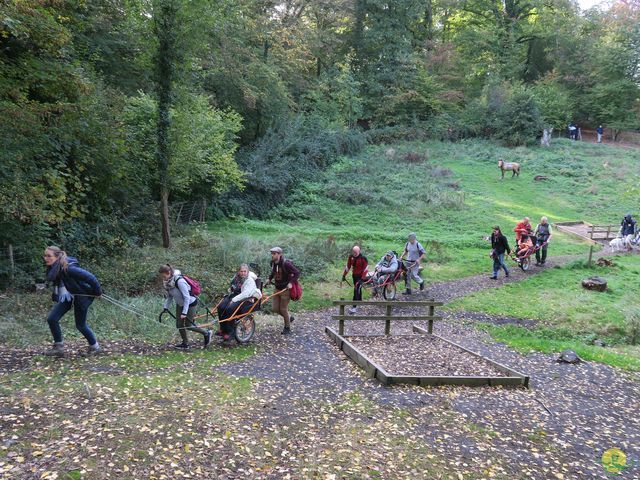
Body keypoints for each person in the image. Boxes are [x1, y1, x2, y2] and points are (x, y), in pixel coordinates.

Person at [43, 246, 102, 357]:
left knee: (80, 325)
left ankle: (95, 347)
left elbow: (91, 277)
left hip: (82, 296)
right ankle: (58, 348)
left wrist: (98, 292)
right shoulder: (56, 268)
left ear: (57, 256)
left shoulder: (69, 268)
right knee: (52, 319)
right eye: (45, 255)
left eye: (49, 256)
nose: (46, 258)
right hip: (68, 295)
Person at [159, 265, 212, 349]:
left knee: (189, 325)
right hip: (180, 304)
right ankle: (185, 343)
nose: (163, 278)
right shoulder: (168, 282)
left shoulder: (179, 281)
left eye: (164, 276)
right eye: (162, 276)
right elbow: (170, 296)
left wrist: (184, 312)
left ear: (169, 273)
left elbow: (186, 297)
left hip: (190, 304)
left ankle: (206, 333)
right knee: (179, 325)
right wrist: (166, 307)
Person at [217, 264, 262, 341]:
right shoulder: (236, 278)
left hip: (244, 298)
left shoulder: (249, 280)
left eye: (245, 271)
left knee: (230, 309)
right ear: (239, 272)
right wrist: (230, 290)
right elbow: (233, 287)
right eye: (241, 271)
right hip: (234, 295)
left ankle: (230, 332)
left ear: (247, 272)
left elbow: (245, 294)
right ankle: (223, 329)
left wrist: (233, 300)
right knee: (221, 306)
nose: (243, 273)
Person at [268, 247, 300, 335]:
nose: (272, 255)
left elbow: (297, 273)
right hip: (277, 288)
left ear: (279, 254)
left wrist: (291, 283)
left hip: (286, 290)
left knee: (283, 309)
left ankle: (287, 328)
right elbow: (273, 272)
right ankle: (289, 318)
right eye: (272, 253)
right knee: (274, 309)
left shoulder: (286, 264)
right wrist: (269, 279)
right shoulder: (274, 263)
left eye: (274, 254)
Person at [342, 246, 368, 314]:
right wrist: (344, 275)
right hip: (354, 276)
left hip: (361, 277)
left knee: (356, 290)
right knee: (358, 289)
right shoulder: (351, 257)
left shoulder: (363, 258)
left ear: (359, 251)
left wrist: (362, 279)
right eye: (353, 252)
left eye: (356, 252)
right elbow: (348, 266)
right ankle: (359, 301)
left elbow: (366, 269)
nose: (354, 253)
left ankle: (354, 307)